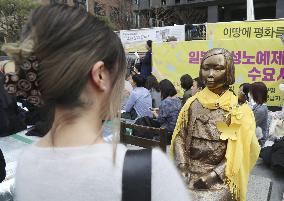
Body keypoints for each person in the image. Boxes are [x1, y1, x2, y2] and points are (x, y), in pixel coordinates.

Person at [2, 5, 190, 201]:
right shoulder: (150, 173)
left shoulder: (27, 163)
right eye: (120, 76)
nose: (123, 88)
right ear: (100, 75)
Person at [171, 48, 260, 201]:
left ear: (229, 71)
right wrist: (182, 165)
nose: (210, 74)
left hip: (219, 175)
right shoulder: (192, 103)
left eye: (218, 69)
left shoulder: (239, 108)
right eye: (206, 68)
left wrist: (213, 176)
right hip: (189, 168)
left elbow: (241, 152)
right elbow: (180, 135)